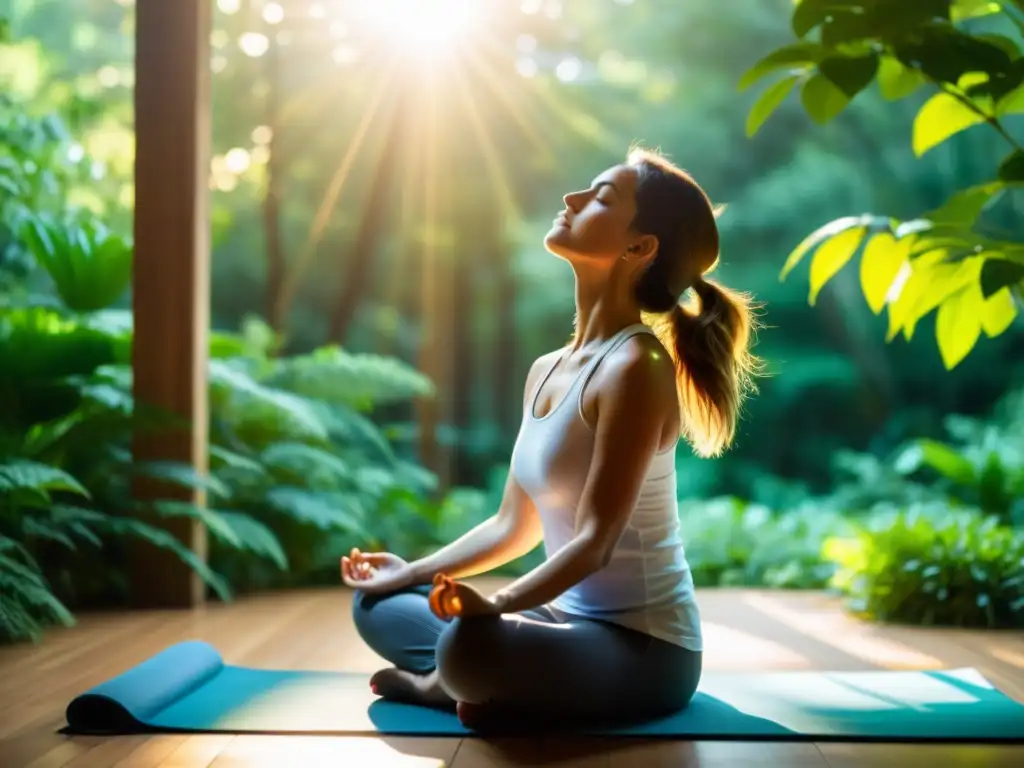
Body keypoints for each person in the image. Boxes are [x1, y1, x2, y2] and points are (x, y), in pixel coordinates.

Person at [341, 147, 761, 731]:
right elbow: (511, 526)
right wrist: (407, 573)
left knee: (470, 645)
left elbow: (596, 542)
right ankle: (482, 687)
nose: (573, 199)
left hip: (643, 650)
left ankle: (452, 683)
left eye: (603, 198)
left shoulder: (637, 366)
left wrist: (497, 605)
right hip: (558, 623)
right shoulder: (546, 369)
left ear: (640, 248)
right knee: (374, 604)